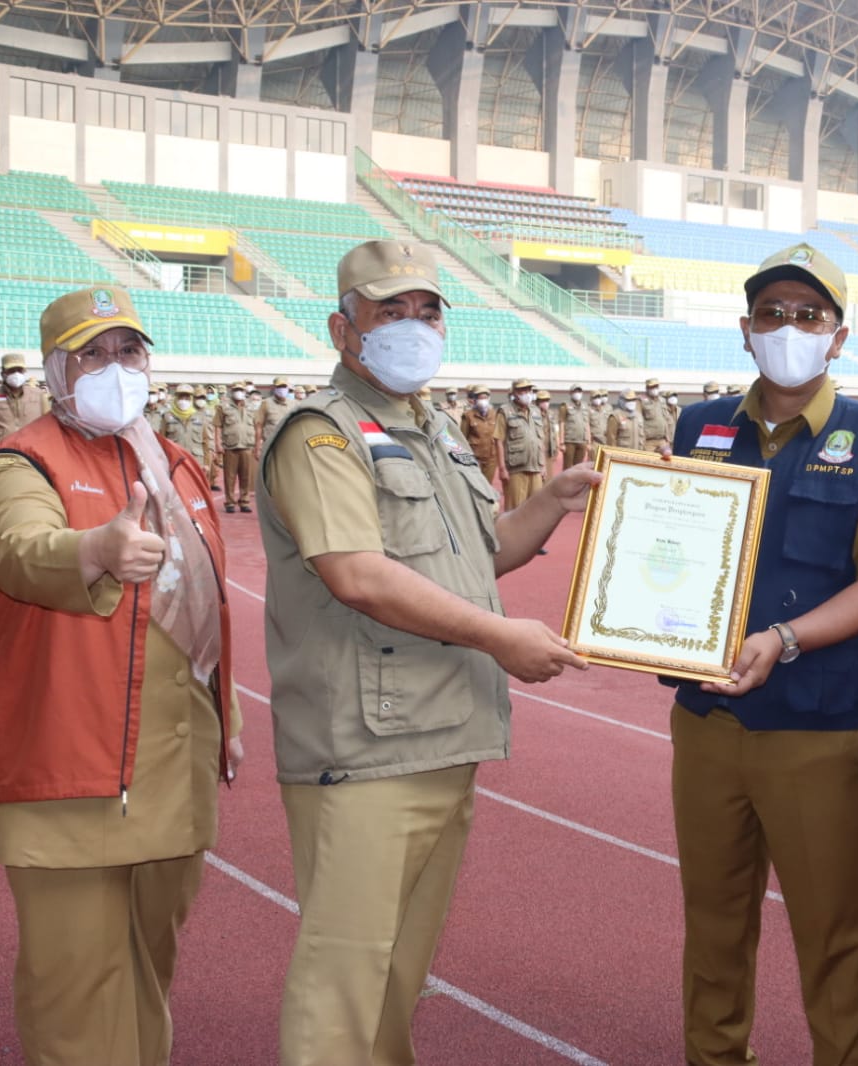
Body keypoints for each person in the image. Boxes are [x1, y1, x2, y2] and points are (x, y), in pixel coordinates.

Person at [256, 239, 597, 1066]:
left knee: (397, 973)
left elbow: (479, 554)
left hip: (442, 731)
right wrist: (501, 637)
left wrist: (551, 501)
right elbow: (358, 575)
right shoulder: (323, 435)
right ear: (343, 330)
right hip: (367, 742)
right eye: (389, 312)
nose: (412, 326)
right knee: (345, 976)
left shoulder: (433, 430)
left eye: (426, 311)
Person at [0, 285, 241, 1066]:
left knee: (147, 974)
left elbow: (203, 612)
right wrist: (93, 549)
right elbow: (17, 549)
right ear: (56, 370)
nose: (115, 368)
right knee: (78, 993)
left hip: (171, 774)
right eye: (92, 354)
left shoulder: (177, 465)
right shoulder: (23, 462)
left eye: (129, 351)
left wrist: (229, 719)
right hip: (69, 777)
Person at [665, 243, 858, 1066]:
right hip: (707, 719)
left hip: (819, 728)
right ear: (745, 330)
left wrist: (784, 638)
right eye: (771, 313)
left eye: (808, 315)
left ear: (837, 338)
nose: (788, 327)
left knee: (834, 930)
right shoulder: (698, 426)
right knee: (713, 918)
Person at [0, 353, 49, 465]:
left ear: (24, 372)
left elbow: (48, 427)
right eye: (11, 370)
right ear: (3, 374)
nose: (16, 374)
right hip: (1, 458)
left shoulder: (38, 395)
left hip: (32, 457)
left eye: (19, 370)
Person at [495, 377, 547, 510]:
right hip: (516, 469)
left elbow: (540, 440)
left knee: (535, 508)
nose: (527, 393)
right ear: (515, 393)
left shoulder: (535, 411)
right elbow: (499, 440)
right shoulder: (505, 411)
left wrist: (543, 465)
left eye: (529, 390)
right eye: (523, 390)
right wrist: (502, 469)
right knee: (515, 509)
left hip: (535, 468)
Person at [216, 381, 256, 514]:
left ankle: (244, 501)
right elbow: (218, 426)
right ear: (231, 391)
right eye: (236, 390)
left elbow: (256, 425)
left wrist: (257, 443)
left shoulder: (251, 407)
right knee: (230, 477)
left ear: (244, 392)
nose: (239, 392)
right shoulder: (223, 407)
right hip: (230, 446)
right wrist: (218, 443)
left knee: (246, 476)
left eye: (241, 390)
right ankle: (230, 502)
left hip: (247, 445)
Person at [460, 385, 500, 485]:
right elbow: (462, 438)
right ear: (475, 399)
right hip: (475, 458)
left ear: (489, 399)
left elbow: (498, 437)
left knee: (488, 485)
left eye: (485, 398)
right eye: (480, 398)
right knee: (476, 485)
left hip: (491, 458)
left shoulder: (495, 415)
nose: (483, 401)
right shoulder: (468, 415)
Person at [255, 376, 292, 456]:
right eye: (279, 387)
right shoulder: (266, 403)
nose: (282, 389)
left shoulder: (293, 404)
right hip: (271, 445)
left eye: (284, 387)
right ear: (274, 388)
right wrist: (258, 447)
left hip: (289, 444)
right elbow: (259, 426)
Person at [559, 383, 593, 469]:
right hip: (569, 441)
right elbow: (562, 423)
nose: (577, 393)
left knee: (579, 467)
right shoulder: (565, 406)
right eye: (575, 391)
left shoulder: (586, 406)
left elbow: (587, 424)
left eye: (579, 391)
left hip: (582, 441)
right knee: (567, 467)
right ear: (570, 393)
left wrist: (588, 442)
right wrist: (562, 442)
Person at [638, 376, 669, 451]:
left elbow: (666, 419)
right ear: (647, 388)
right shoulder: (641, 400)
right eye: (652, 387)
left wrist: (667, 438)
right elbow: (638, 420)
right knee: (648, 458)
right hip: (648, 441)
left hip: (662, 440)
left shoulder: (662, 400)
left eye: (656, 387)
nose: (655, 389)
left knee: (667, 457)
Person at [535, 389, 560, 472]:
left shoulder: (551, 414)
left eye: (547, 400)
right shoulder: (533, 414)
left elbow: (554, 431)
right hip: (537, 450)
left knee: (549, 474)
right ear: (537, 401)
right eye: (543, 400)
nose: (545, 403)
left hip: (549, 449)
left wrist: (557, 446)